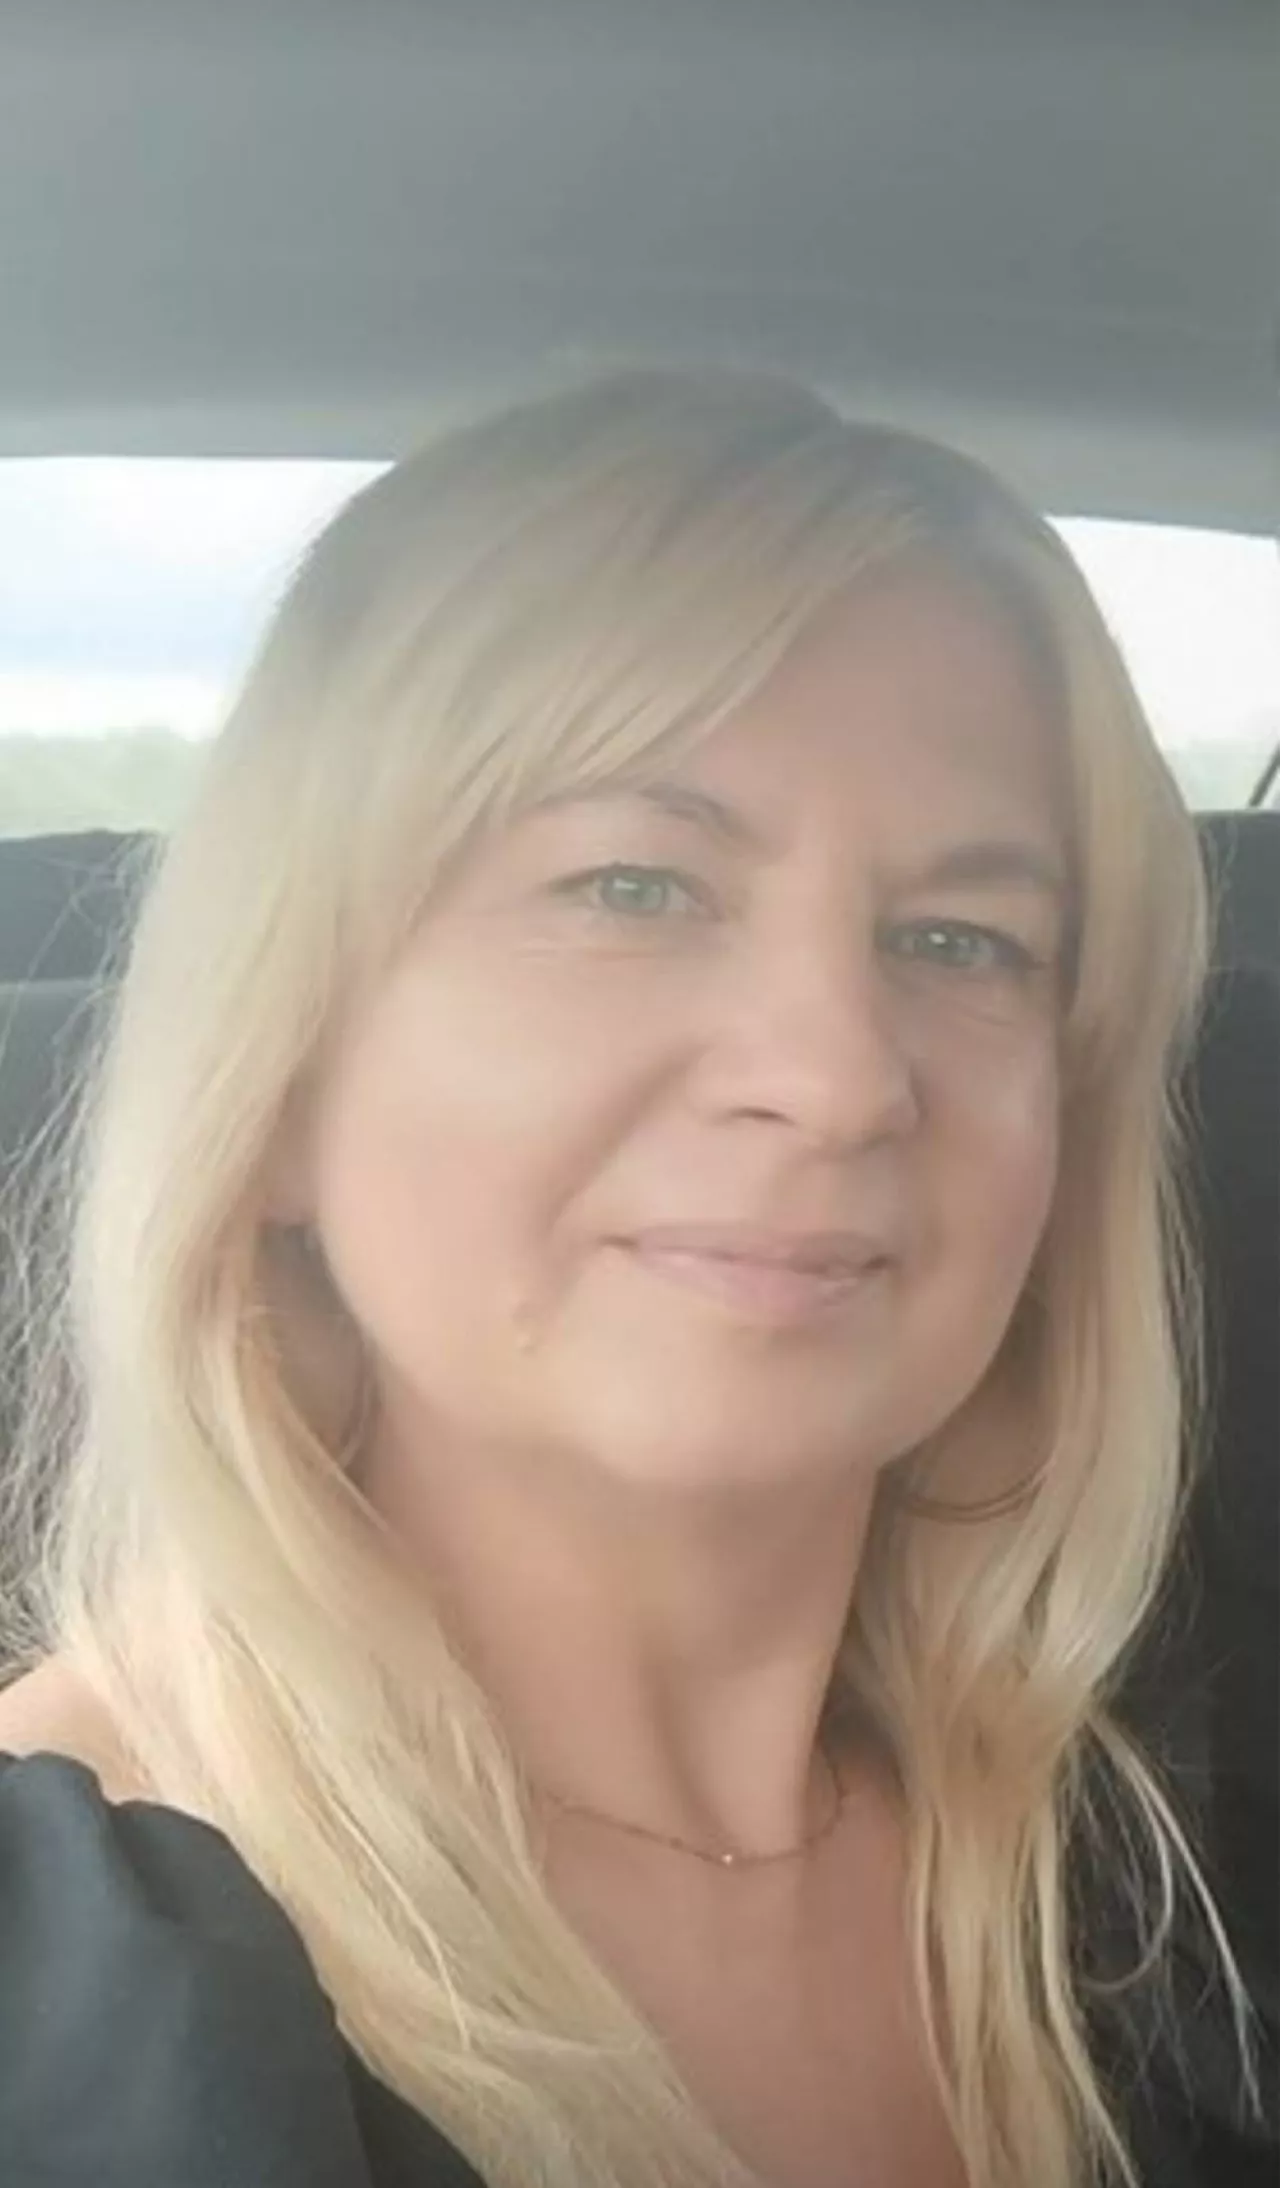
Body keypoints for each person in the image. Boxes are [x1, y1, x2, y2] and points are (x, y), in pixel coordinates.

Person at [0, 369, 1272, 2188]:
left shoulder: (1163, 1890)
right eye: (633, 888)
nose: (838, 1075)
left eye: (959, 938)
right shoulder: (62, 1977)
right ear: (276, 1081)